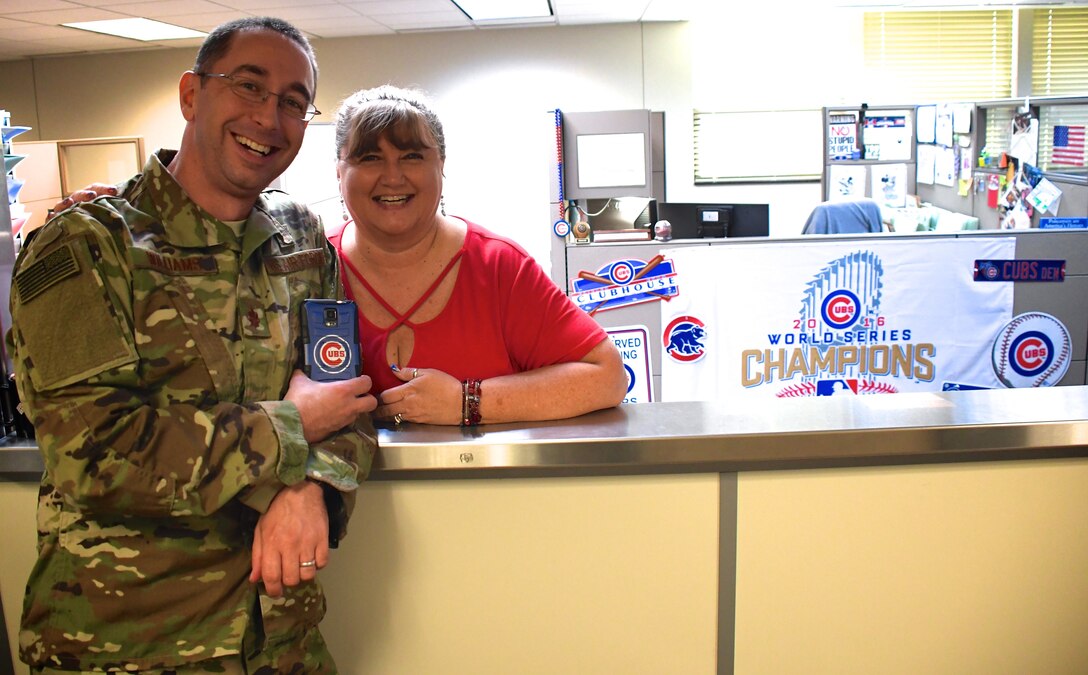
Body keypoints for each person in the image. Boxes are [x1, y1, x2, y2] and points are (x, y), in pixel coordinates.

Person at [7, 16, 377, 674]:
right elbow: (92, 451)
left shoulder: (300, 236)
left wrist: (311, 488)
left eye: (294, 102)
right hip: (130, 645)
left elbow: (346, 399)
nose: (269, 117)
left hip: (281, 638)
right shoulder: (86, 247)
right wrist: (291, 425)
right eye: (249, 86)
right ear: (191, 95)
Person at [330, 85, 628, 426]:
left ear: (441, 165)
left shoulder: (499, 266)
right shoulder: (309, 268)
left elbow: (606, 377)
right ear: (339, 171)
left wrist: (467, 401)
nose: (393, 177)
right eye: (370, 158)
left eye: (412, 156)